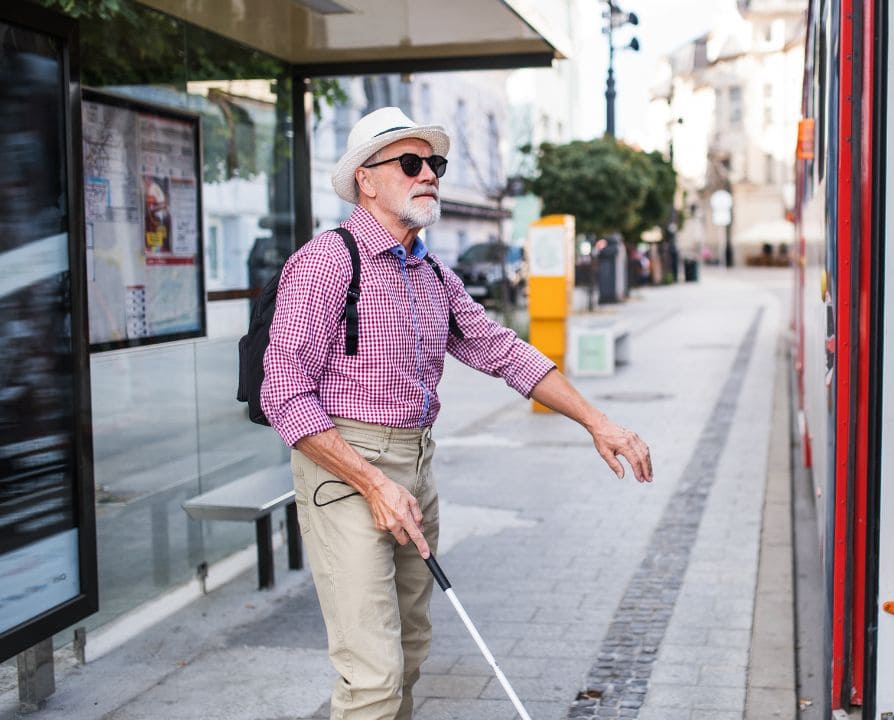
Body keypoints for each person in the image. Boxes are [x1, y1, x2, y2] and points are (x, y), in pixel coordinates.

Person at [261, 106, 652, 720]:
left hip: (416, 464)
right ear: (366, 179)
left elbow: (501, 350)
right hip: (342, 471)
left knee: (411, 647)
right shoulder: (325, 263)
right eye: (409, 163)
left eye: (434, 164)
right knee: (373, 672)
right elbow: (283, 393)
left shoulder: (430, 272)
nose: (428, 175)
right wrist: (373, 484)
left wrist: (597, 421)